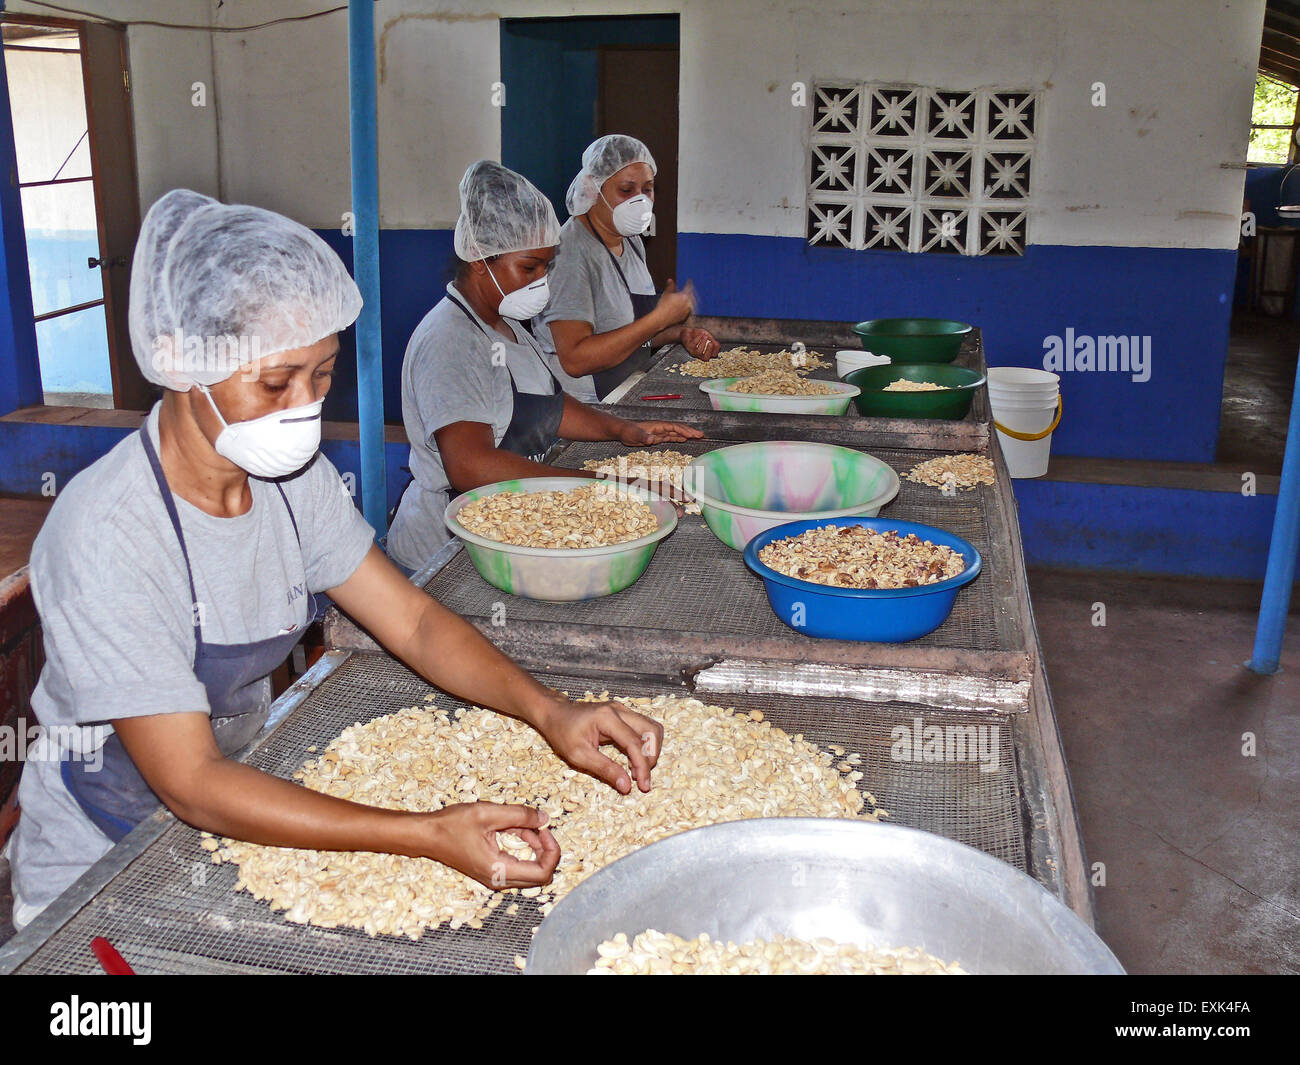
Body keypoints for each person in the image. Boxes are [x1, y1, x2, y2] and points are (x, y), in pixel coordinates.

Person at [5, 190, 665, 930]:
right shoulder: (110, 533)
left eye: (321, 374)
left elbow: (411, 621)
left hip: (227, 822)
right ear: (182, 366)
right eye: (274, 382)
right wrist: (424, 832)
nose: (304, 406)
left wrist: (552, 710)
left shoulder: (290, 481)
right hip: (101, 870)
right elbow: (191, 781)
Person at [385, 160, 701, 575]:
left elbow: (548, 405)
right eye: (529, 267)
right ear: (480, 260)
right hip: (451, 551)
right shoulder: (451, 340)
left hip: (513, 527)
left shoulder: (509, 323)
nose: (542, 282)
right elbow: (470, 467)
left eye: (546, 268)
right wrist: (602, 486)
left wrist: (623, 429)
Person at [536, 135, 721, 402]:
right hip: (583, 408)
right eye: (626, 190)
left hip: (625, 391)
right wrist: (659, 319)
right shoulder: (570, 254)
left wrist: (679, 333)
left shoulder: (631, 241)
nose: (639, 200)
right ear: (591, 189)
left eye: (647, 189)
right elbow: (575, 360)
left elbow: (631, 334)